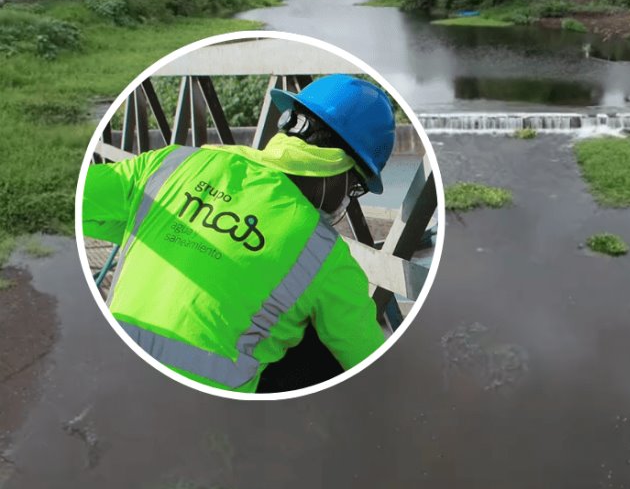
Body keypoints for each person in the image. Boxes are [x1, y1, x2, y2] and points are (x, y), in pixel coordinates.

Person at [83, 74, 396, 393]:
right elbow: (373, 365)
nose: (347, 199)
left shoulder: (170, 163)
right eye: (355, 188)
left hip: (99, 374)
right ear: (340, 170)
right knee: (323, 347)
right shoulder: (325, 254)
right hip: (204, 419)